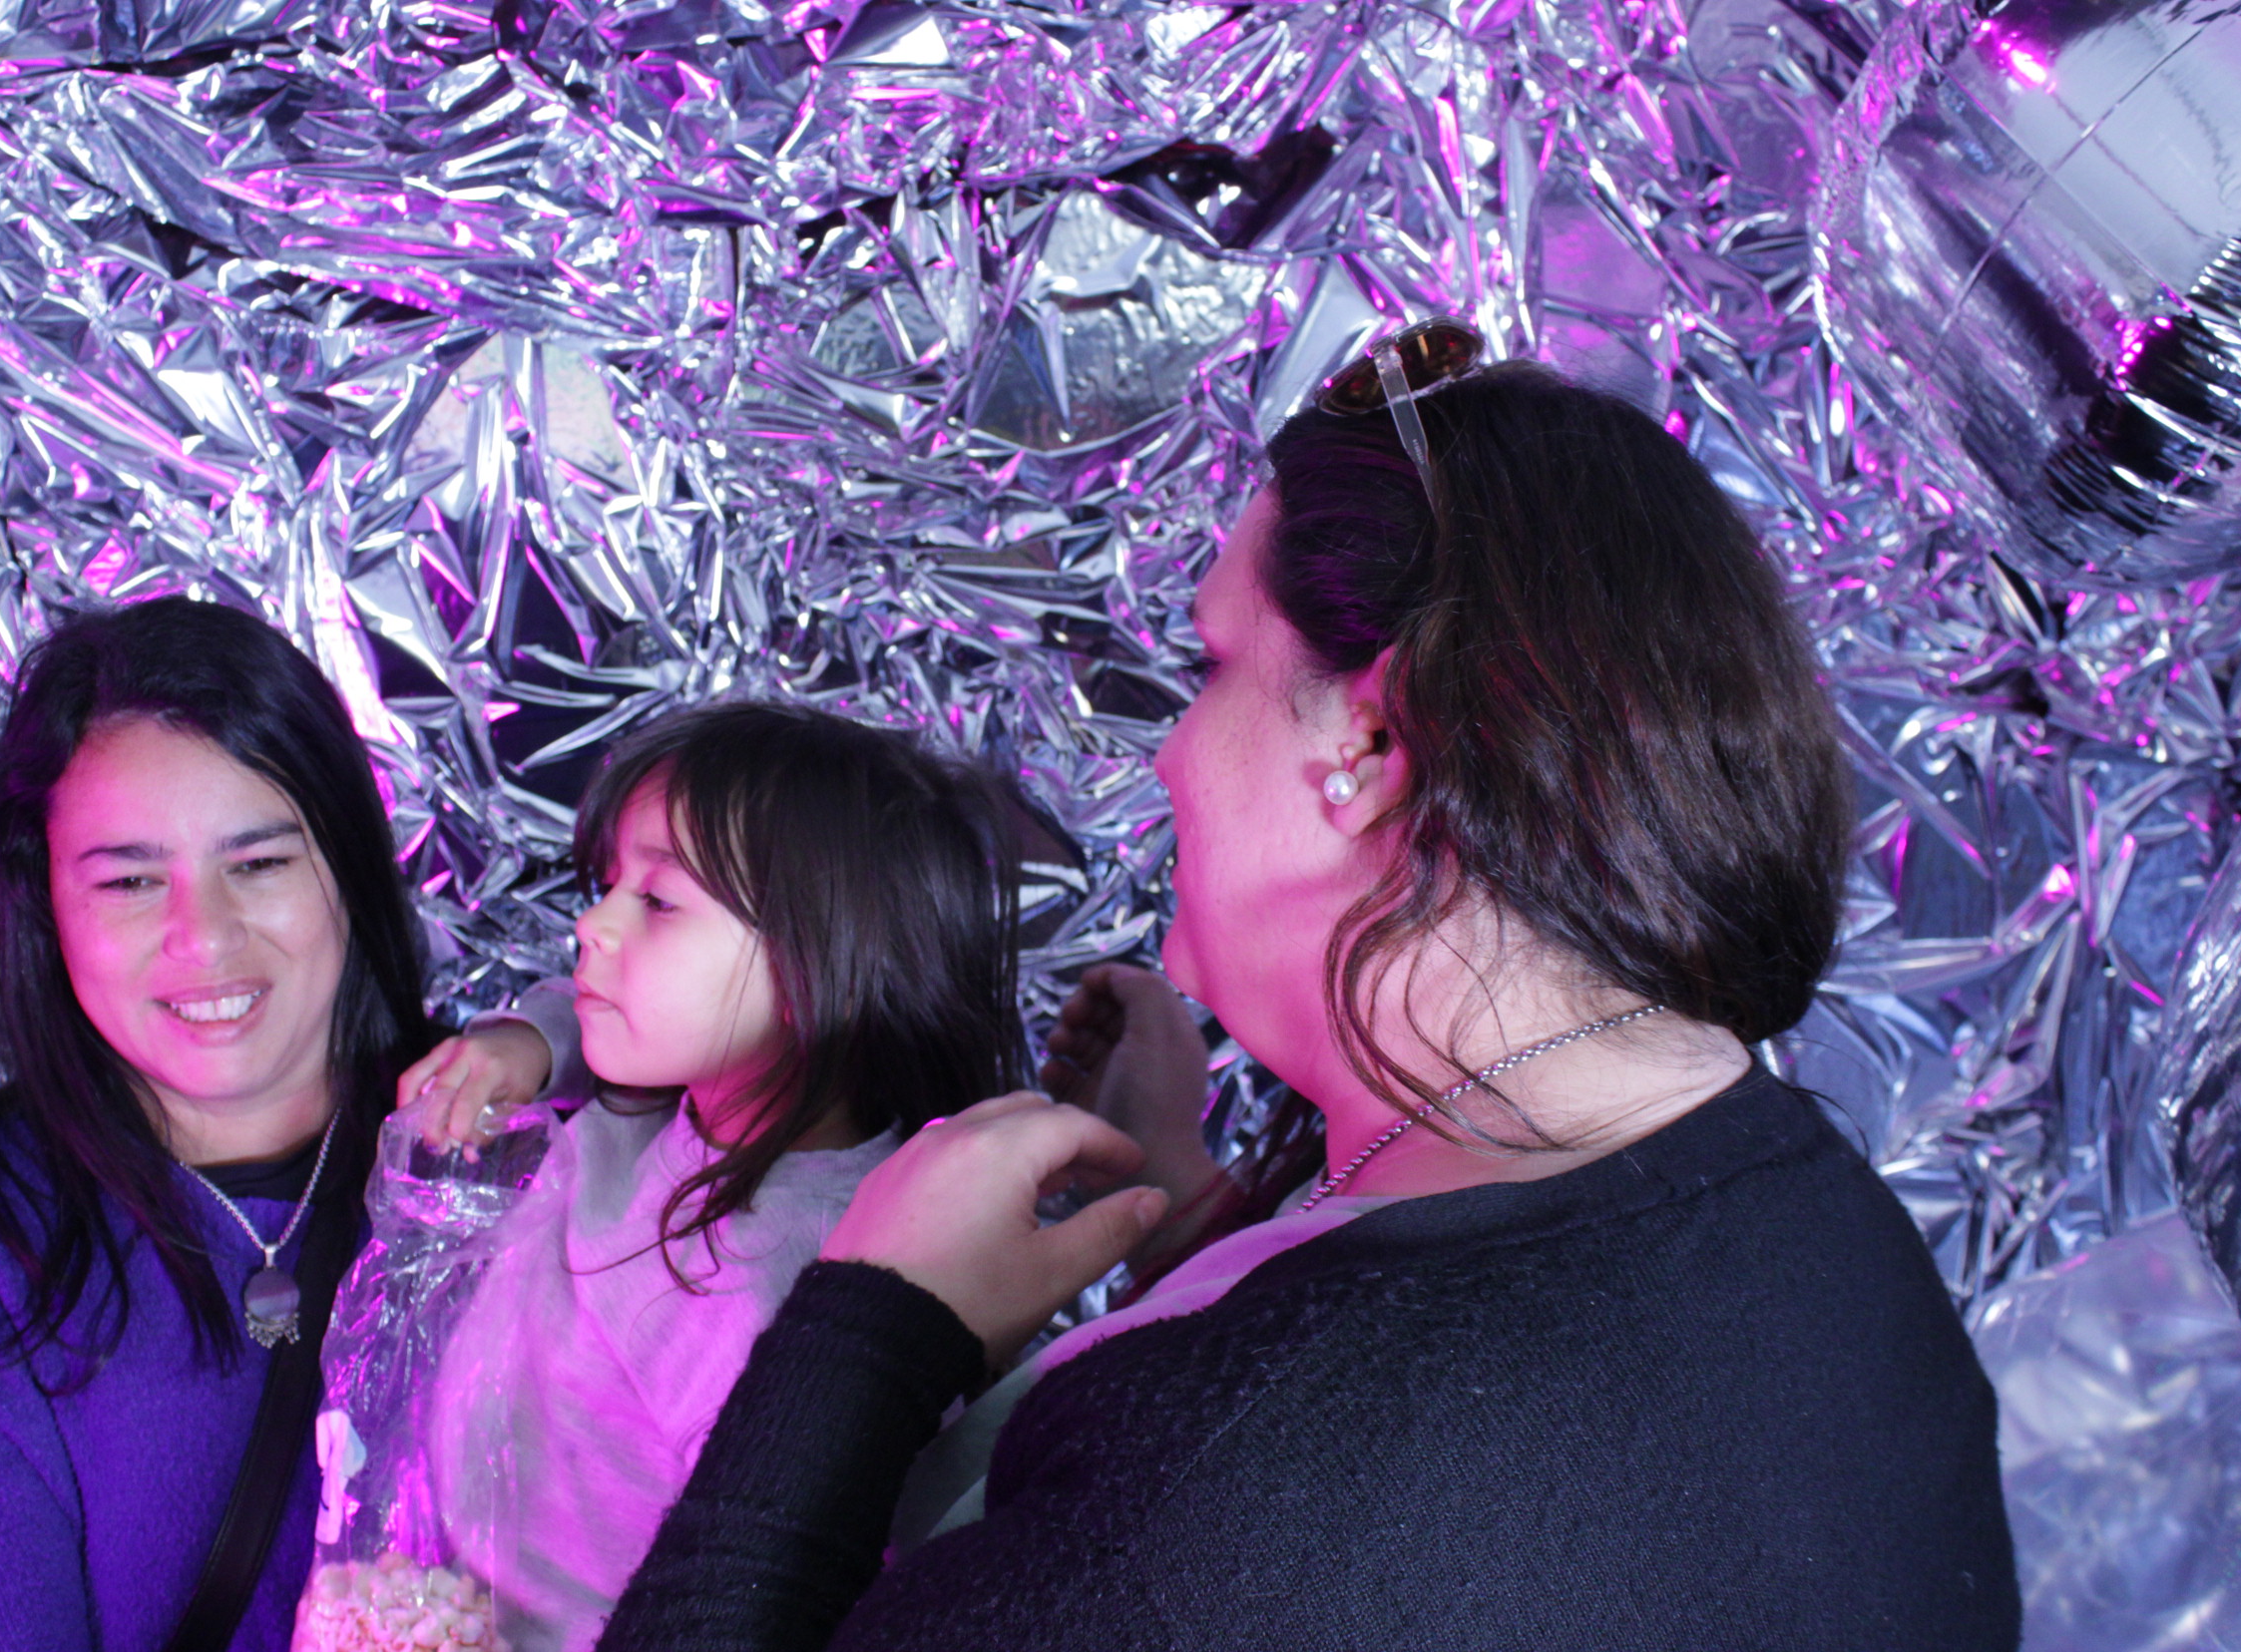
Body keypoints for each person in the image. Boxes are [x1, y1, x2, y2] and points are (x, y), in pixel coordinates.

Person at [597, 333, 2022, 1651]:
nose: (1167, 753)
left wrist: (877, 1320)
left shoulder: (1241, 1524)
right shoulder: (1810, 1220)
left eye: (1212, 667)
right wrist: (1187, 1202)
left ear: (1376, 745)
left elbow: (1322, 1505)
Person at [0, 599, 567, 1652]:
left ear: (348, 868)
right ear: (45, 903)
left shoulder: (503, 1162)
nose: (204, 937)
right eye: (131, 881)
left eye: (259, 864)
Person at [308, 701, 1021, 1652]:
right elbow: (583, 1014)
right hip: (451, 1602)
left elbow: (795, 1576)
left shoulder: (789, 1285)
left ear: (822, 961)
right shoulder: (667, 1095)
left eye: (658, 901)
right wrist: (528, 1043)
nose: (591, 925)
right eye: (609, 886)